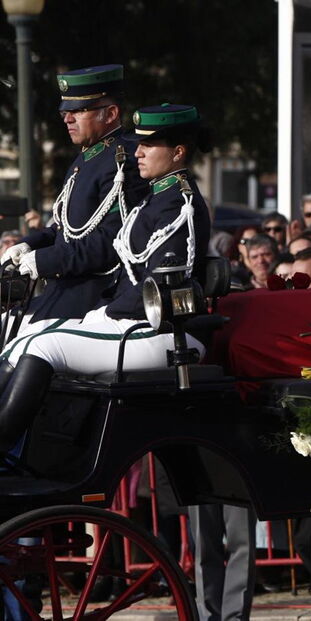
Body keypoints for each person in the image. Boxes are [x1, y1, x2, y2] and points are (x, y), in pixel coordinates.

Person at [0, 103, 211, 458]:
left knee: (41, 346)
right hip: (131, 319)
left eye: (149, 146)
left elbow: (163, 286)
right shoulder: (157, 198)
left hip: (162, 331)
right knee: (22, 340)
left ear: (178, 152)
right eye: (139, 144)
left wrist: (107, 312)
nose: (138, 152)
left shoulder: (181, 205)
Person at [2, 64, 147, 331]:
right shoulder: (87, 156)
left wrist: (46, 260)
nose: (68, 119)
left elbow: (109, 243)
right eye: (65, 111)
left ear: (111, 113)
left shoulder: (123, 162)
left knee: (22, 347)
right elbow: (65, 227)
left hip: (94, 294)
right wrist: (27, 244)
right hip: (64, 290)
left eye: (79, 111)